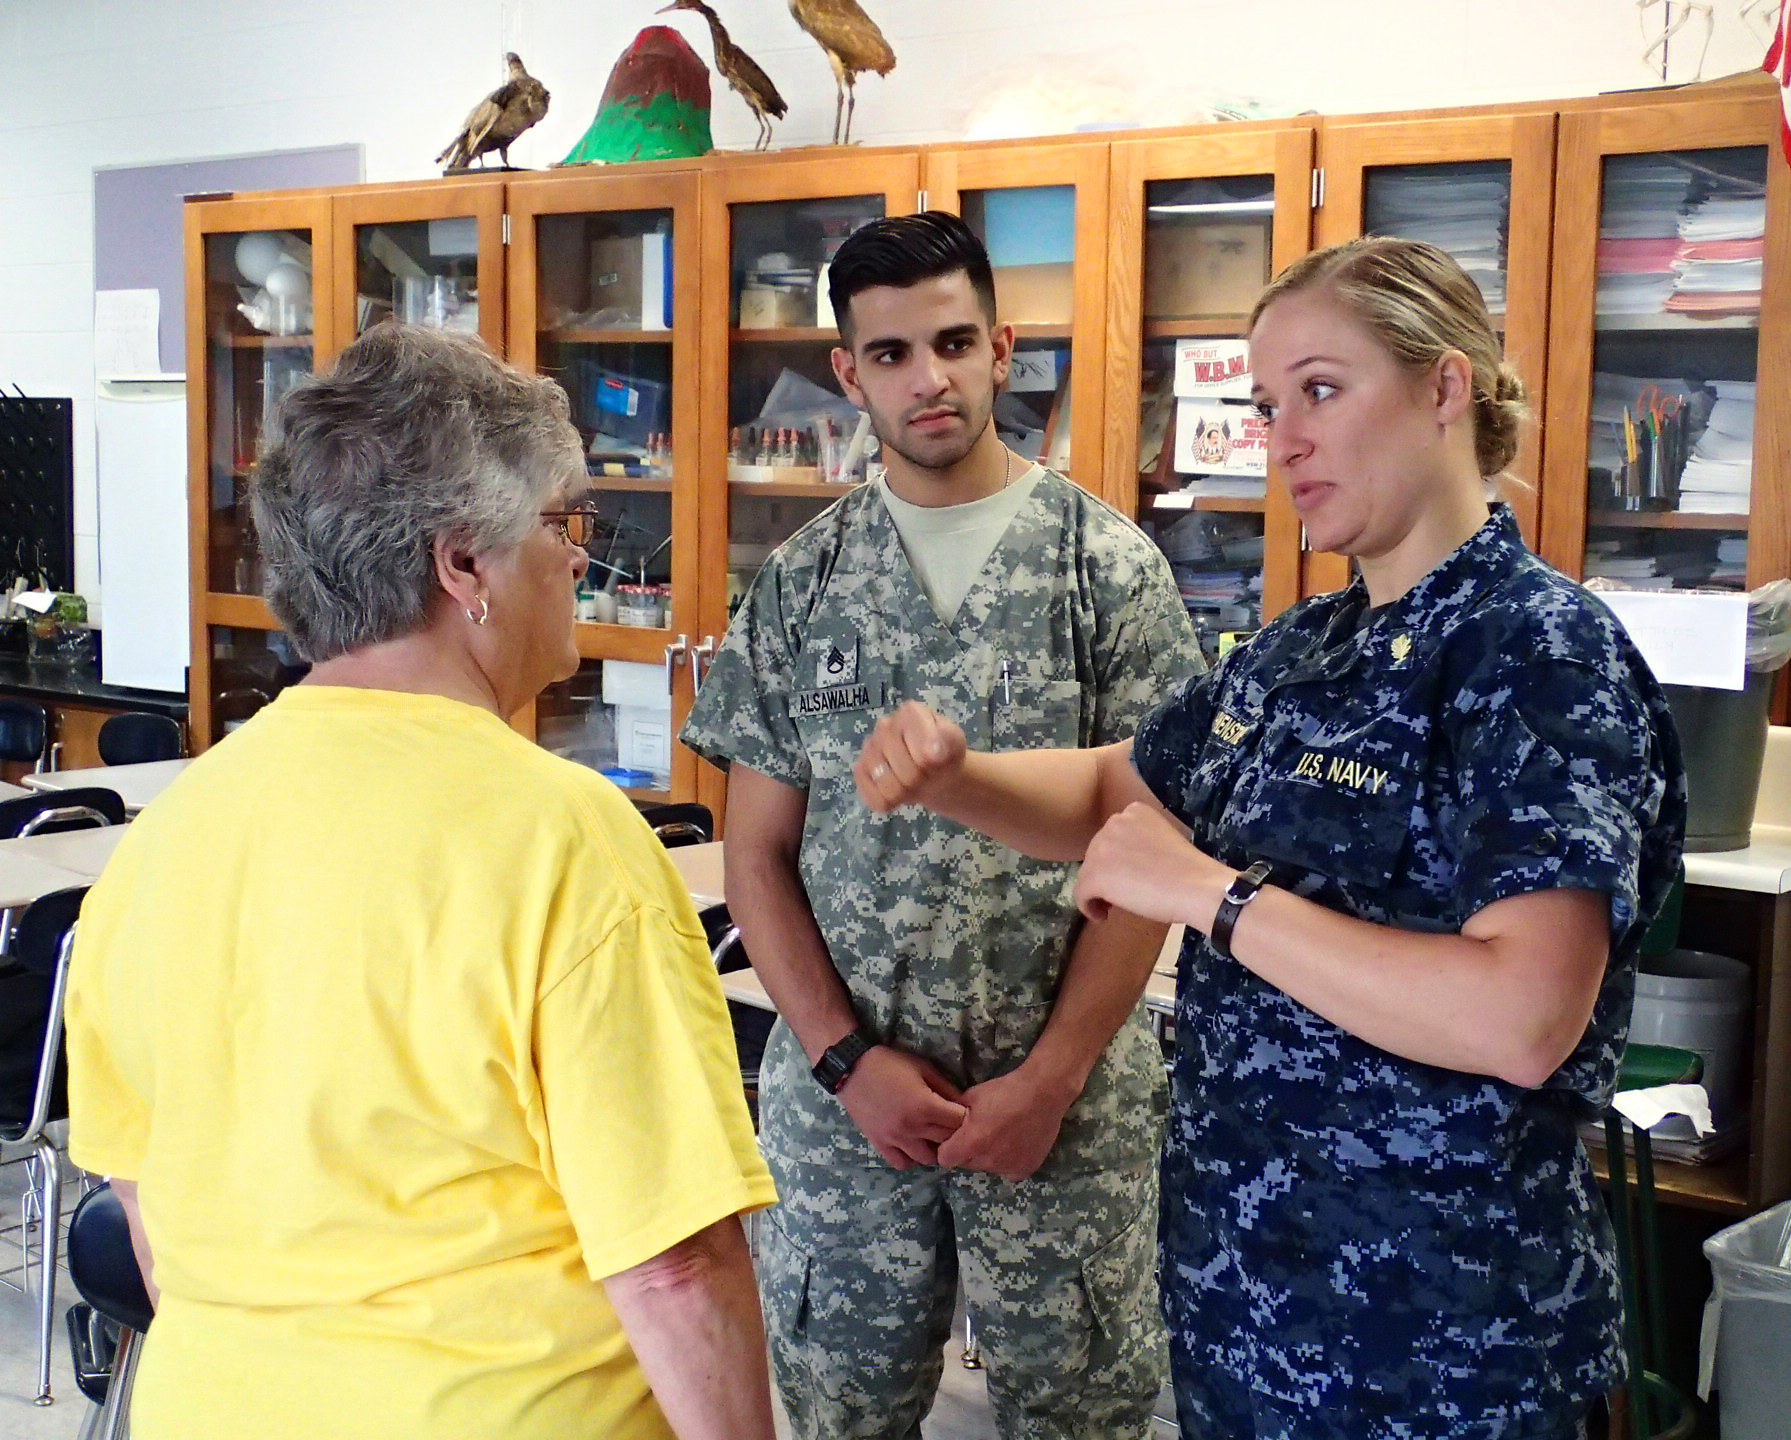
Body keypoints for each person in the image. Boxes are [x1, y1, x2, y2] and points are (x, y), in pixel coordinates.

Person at [854, 236, 1687, 1440]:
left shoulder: (1536, 650)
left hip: (1437, 1352)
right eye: (1265, 403)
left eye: (1322, 390)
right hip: (1248, 1315)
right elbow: (1109, 790)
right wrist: (953, 778)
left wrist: (1215, 896)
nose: (1282, 436)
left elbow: (1521, 1015)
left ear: (1444, 389)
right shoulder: (1307, 648)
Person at [63, 325, 778, 1440]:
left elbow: (149, 1212)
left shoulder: (163, 839)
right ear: (464, 565)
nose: (580, 558)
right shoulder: (565, 840)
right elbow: (674, 1264)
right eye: (565, 521)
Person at [680, 210, 1205, 1439]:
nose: (931, 378)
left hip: (1065, 1112)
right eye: (895, 354)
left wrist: (1051, 1078)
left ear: (1003, 349)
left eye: (955, 343)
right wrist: (846, 1062)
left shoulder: (1107, 571)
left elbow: (1149, 854)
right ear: (850, 372)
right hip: (847, 1110)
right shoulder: (801, 583)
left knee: (1082, 1415)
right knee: (835, 1411)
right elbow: (754, 858)